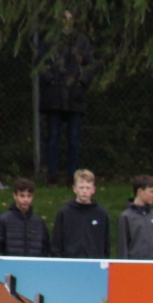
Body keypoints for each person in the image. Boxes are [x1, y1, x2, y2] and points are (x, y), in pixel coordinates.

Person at [38, 11, 95, 185]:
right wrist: (50, 79)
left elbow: (91, 65)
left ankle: (73, 177)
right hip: (54, 96)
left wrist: (81, 83)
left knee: (74, 139)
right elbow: (40, 63)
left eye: (70, 19)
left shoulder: (82, 41)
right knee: (53, 137)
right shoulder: (49, 40)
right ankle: (52, 176)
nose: (67, 22)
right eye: (63, 19)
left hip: (75, 97)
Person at [51, 169, 111, 258]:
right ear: (75, 189)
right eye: (81, 187)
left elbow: (106, 244)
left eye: (88, 188)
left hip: (94, 262)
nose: (84, 191)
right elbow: (56, 243)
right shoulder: (64, 213)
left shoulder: (101, 214)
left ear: (93, 190)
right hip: (70, 262)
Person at [0, 178, 52, 257]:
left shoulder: (39, 222)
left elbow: (45, 248)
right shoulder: (3, 220)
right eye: (22, 196)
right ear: (15, 196)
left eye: (29, 196)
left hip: (34, 264)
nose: (26, 200)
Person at [119, 175, 153, 259]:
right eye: (152, 192)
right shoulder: (126, 217)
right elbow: (122, 249)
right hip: (134, 265)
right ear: (140, 191)